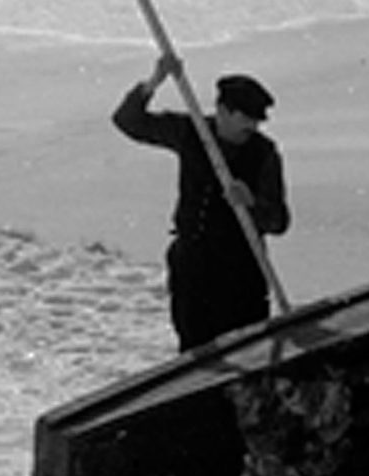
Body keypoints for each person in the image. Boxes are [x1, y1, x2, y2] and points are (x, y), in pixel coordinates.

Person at [112, 56, 290, 349]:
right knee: (196, 349)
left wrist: (252, 204)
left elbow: (279, 221)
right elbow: (128, 122)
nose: (252, 126)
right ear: (223, 110)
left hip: (241, 271)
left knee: (249, 349)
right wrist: (155, 80)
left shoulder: (265, 154)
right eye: (245, 117)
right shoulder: (191, 132)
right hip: (193, 266)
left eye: (257, 120)